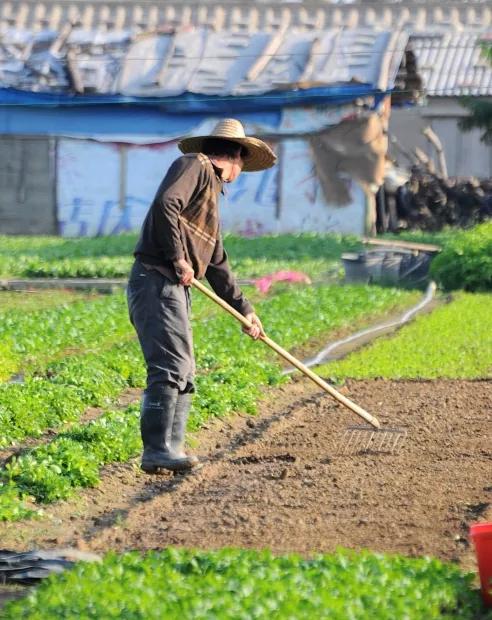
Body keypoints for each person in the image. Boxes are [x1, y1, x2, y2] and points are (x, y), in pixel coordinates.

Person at [127, 118, 277, 474]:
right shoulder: (194, 165)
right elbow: (167, 205)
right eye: (243, 165)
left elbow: (217, 262)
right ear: (236, 158)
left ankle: (172, 449)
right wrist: (179, 257)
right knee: (170, 366)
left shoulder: (209, 193)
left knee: (185, 369)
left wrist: (246, 311)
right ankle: (156, 450)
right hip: (156, 280)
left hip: (173, 287)